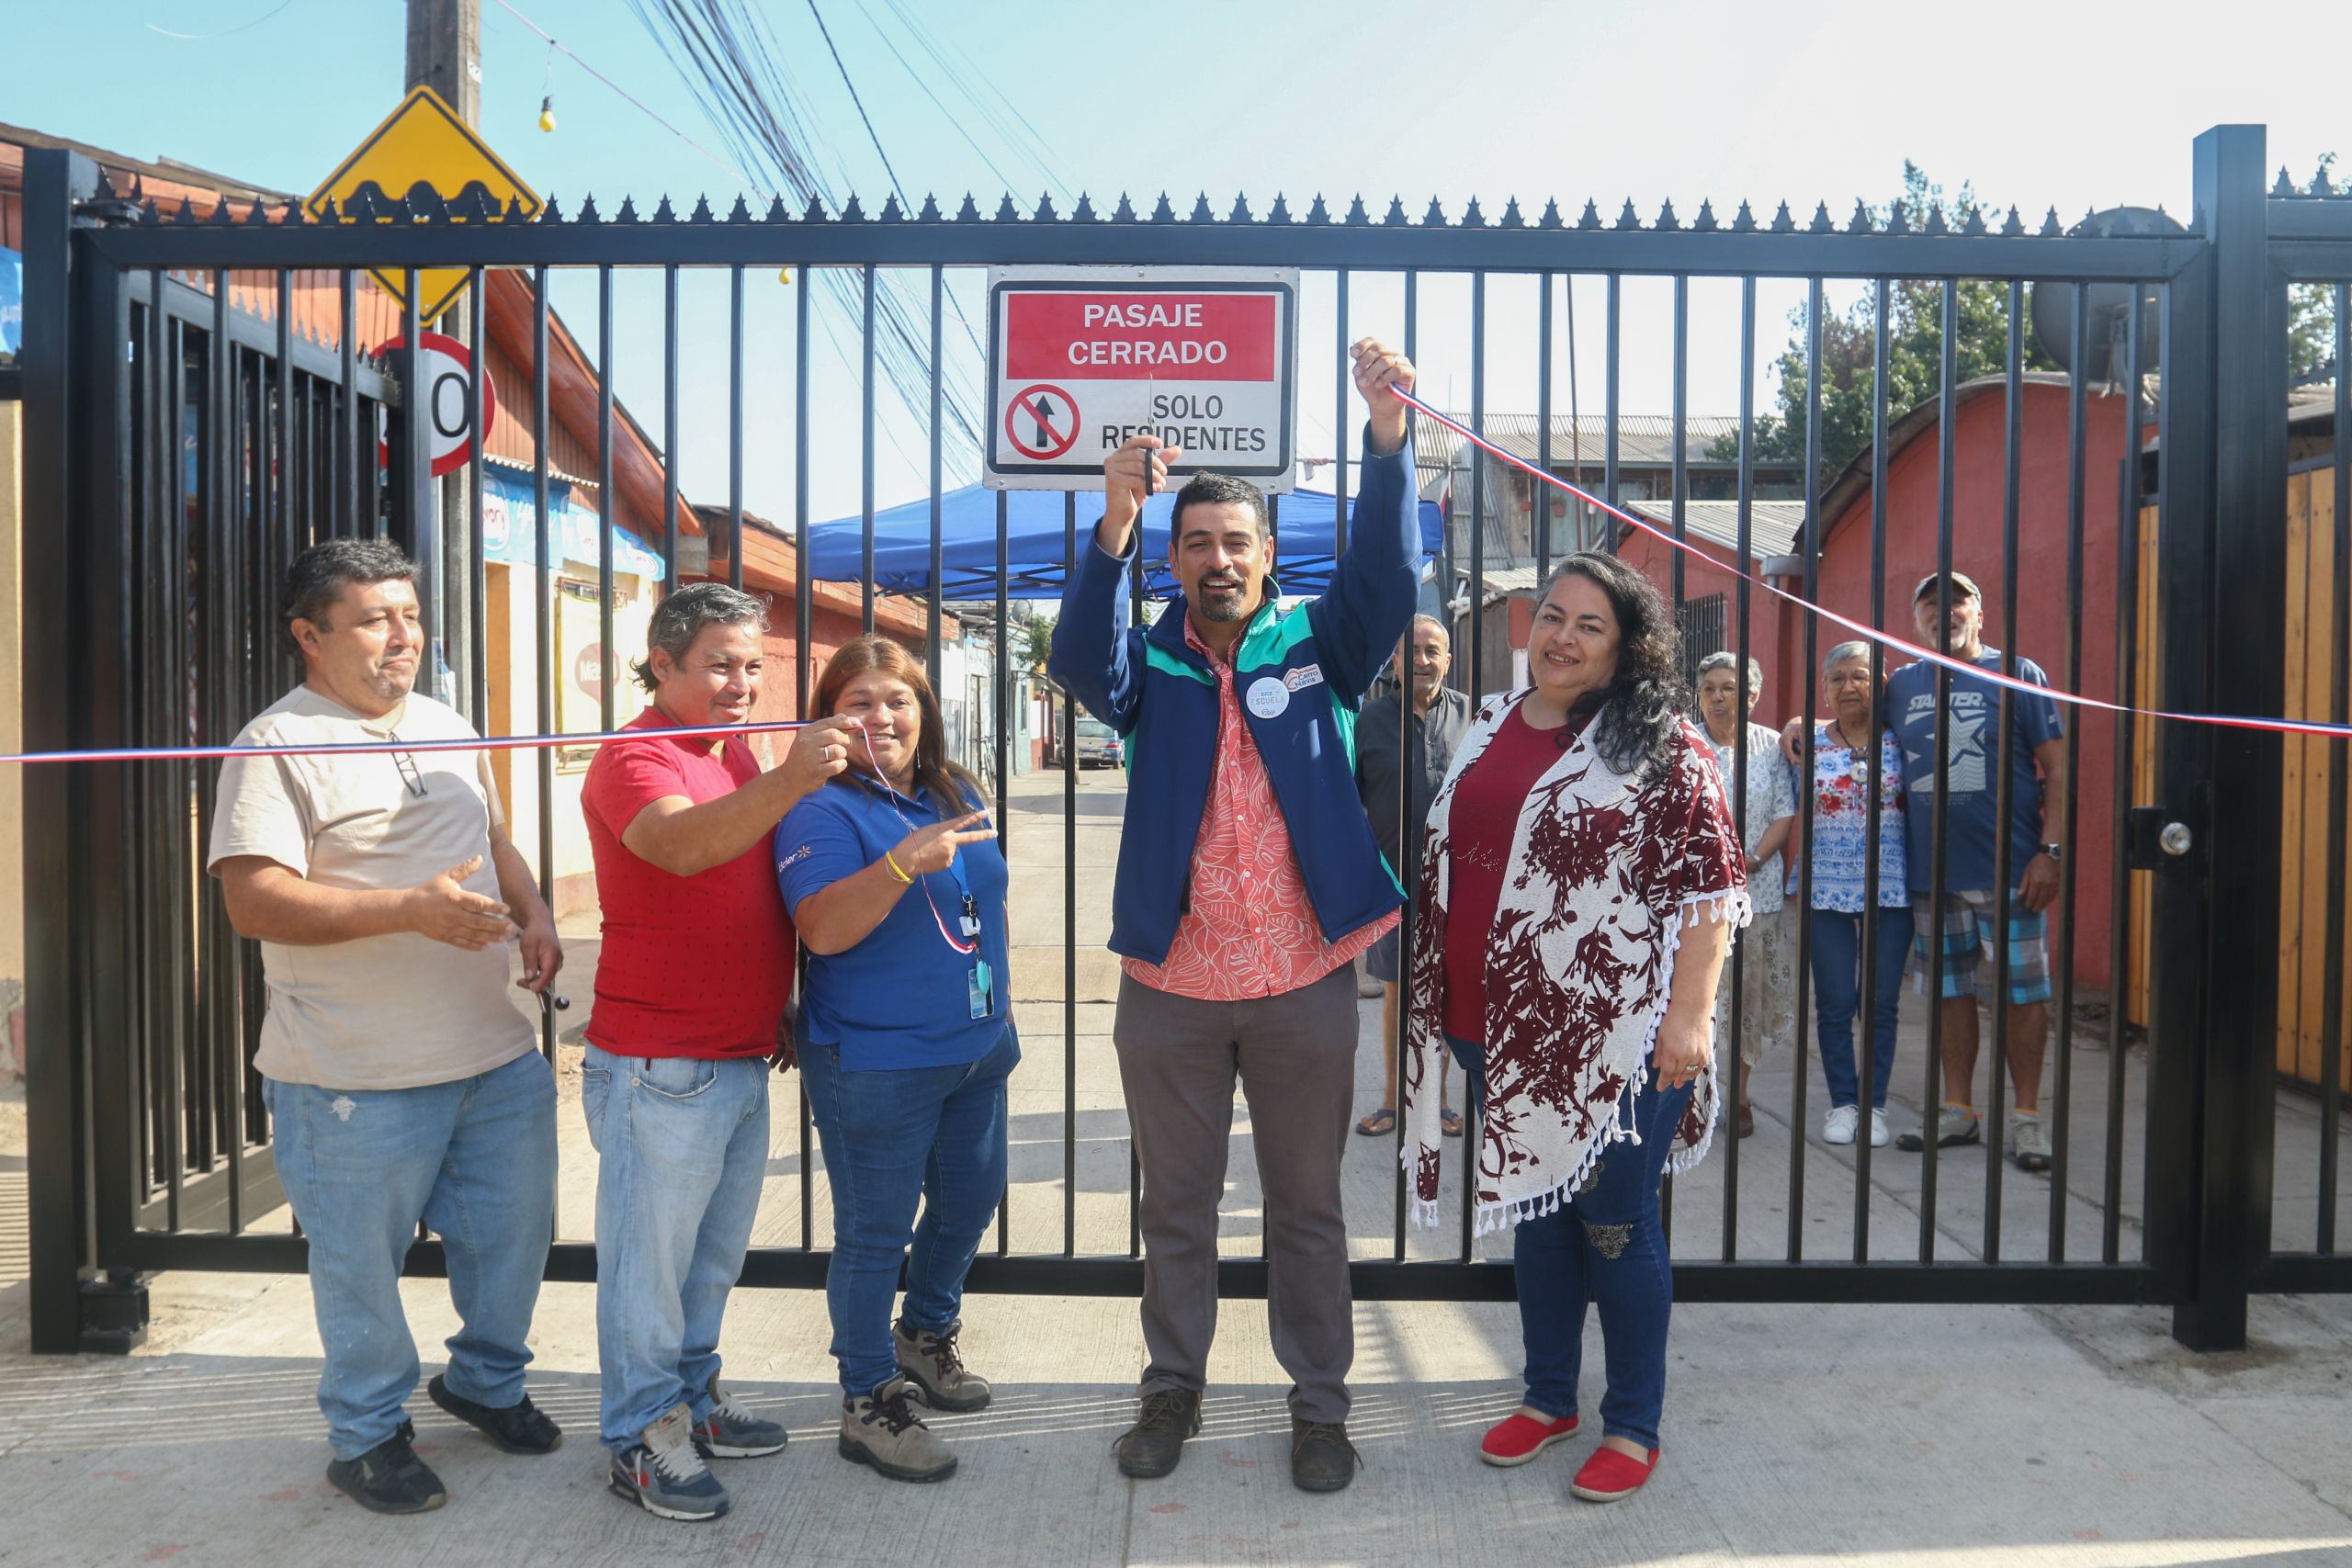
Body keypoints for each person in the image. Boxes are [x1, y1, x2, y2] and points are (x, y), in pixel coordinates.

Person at [1049, 337, 1423, 1493]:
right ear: (1174, 557)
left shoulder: (1321, 642)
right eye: (1198, 541)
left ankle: (1319, 1406)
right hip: (1170, 990)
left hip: (1304, 979)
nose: (1219, 558)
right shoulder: (1145, 656)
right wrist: (1111, 523)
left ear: (1267, 555)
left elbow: (1387, 575)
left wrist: (1386, 439)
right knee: (1178, 1210)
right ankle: (1173, 1389)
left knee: (1307, 1208)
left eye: (1238, 541)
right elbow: (1076, 661)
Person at [209, 539, 565, 1515]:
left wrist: (532, 913)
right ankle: (367, 1435)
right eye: (373, 618)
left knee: (512, 1242)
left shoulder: (448, 722)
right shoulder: (273, 746)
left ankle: (485, 1383)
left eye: (408, 614)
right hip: (351, 1077)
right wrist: (406, 909)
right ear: (309, 635)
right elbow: (256, 902)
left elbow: (490, 839)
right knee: (360, 1271)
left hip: (493, 1055)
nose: (401, 635)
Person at [1405, 553, 1746, 1505]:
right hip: (1488, 1025)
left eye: (1588, 625)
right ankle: (1548, 1396)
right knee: (1538, 1213)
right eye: (1551, 615)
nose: (1560, 636)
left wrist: (1689, 1019)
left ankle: (1633, 1424)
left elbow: (1710, 893)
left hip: (1615, 1035)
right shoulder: (1490, 725)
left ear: (1626, 645)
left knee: (1611, 1223)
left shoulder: (1663, 743)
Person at [579, 582, 865, 1522]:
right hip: (659, 1063)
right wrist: (790, 779)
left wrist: (773, 997)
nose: (741, 683)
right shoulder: (637, 754)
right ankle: (637, 1434)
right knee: (647, 1274)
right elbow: (680, 849)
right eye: (718, 665)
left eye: (752, 664)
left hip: (738, 1052)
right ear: (662, 665)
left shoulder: (728, 747)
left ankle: (691, 1402)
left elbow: (746, 882)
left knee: (705, 1265)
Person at [777, 635, 1015, 1485]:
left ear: (926, 711)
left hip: (978, 1046)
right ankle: (866, 1395)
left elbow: (984, 899)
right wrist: (897, 866)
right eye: (859, 701)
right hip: (876, 1059)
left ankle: (924, 1331)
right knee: (875, 1233)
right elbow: (826, 929)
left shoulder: (956, 787)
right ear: (830, 717)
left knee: (967, 1205)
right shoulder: (820, 809)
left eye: (899, 699)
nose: (882, 715)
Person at [1886, 573, 2065, 1169]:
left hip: (2011, 871)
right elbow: (1855, 735)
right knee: (1948, 993)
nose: (1945, 613)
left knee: (2022, 995)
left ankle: (2028, 1118)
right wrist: (1793, 732)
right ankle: (1958, 1111)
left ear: (1980, 614)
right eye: (1931, 605)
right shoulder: (1902, 685)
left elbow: (2058, 772)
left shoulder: (2019, 674)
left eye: (1957, 602)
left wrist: (2052, 851)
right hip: (1931, 876)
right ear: (1917, 621)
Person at [1352, 615, 1474, 1139]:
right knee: (1398, 993)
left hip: (1459, 886)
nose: (1422, 660)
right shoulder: (1367, 721)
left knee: (1443, 993)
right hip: (1392, 882)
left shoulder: (1474, 717)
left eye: (1433, 650)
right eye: (1412, 651)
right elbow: (1349, 801)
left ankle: (1438, 1100)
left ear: (1449, 659)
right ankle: (1391, 1099)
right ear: (1395, 661)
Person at [1792, 642, 1913, 1147]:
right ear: (1824, 689)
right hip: (1825, 887)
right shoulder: (1805, 744)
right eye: (1837, 679)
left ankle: (1876, 1106)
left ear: (1879, 682)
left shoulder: (1903, 742)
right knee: (1836, 1002)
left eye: (1860, 676)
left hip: (1892, 885)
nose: (1849, 687)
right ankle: (1844, 1103)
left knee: (1881, 1003)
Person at [1693, 651, 1797, 1140]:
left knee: (1746, 1000)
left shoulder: (1772, 746)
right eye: (1709, 687)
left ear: (1751, 696)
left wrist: (1749, 860)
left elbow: (1784, 812)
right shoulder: (1684, 746)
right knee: (1698, 996)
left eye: (1729, 688)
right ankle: (1695, 1095)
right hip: (1695, 895)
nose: (1717, 696)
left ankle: (1737, 1095)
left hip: (1757, 894)